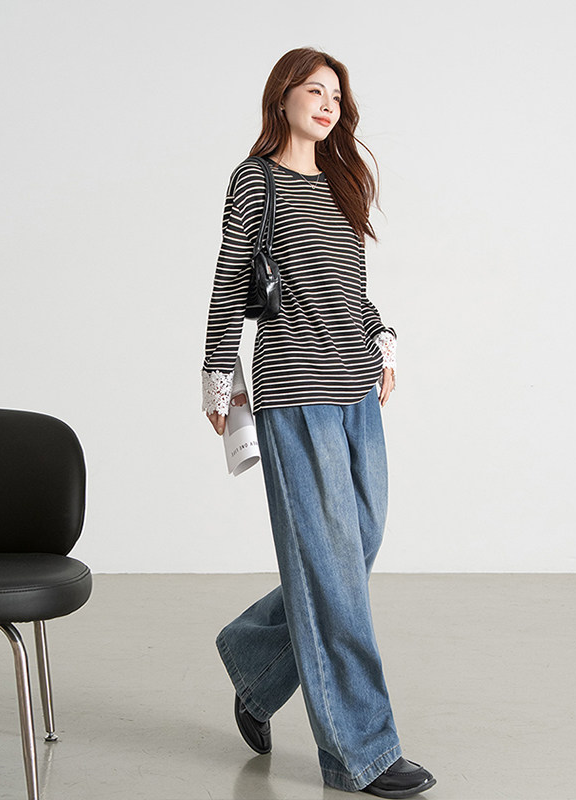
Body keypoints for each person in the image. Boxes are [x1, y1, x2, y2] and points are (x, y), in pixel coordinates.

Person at [201, 47, 436, 798]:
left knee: (352, 550)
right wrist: (218, 379)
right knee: (333, 571)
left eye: (337, 93)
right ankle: (360, 752)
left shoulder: (341, 182)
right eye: (314, 89)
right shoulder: (255, 181)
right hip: (294, 389)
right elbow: (229, 282)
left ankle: (256, 664)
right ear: (283, 98)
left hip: (355, 386)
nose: (329, 103)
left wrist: (380, 337)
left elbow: (349, 286)